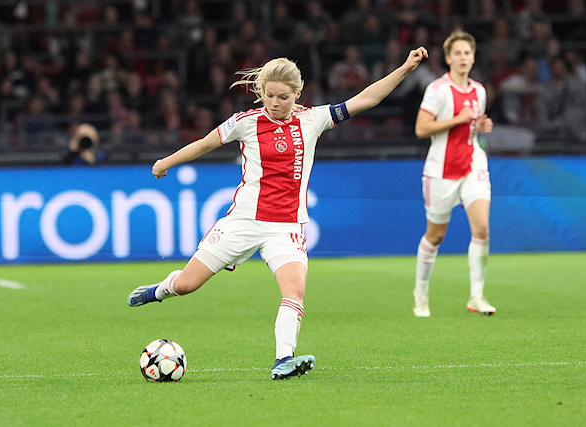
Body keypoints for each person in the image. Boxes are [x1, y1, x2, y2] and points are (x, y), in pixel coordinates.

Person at [127, 47, 429, 379]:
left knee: (294, 291)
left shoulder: (312, 120)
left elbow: (366, 99)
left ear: (297, 94)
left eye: (283, 97)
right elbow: (205, 143)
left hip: (286, 227)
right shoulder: (246, 122)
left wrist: (405, 68)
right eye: (269, 95)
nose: (274, 103)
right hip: (243, 221)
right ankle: (160, 290)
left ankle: (283, 359)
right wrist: (166, 162)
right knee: (187, 285)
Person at [412, 30, 495, 318]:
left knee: (481, 229)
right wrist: (457, 120)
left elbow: (470, 130)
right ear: (448, 58)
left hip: (473, 164)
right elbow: (421, 128)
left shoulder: (480, 91)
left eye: (467, 53)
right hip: (441, 170)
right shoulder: (437, 89)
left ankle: (477, 296)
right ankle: (421, 293)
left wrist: (479, 127)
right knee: (435, 236)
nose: (463, 58)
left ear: (473, 58)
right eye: (457, 53)